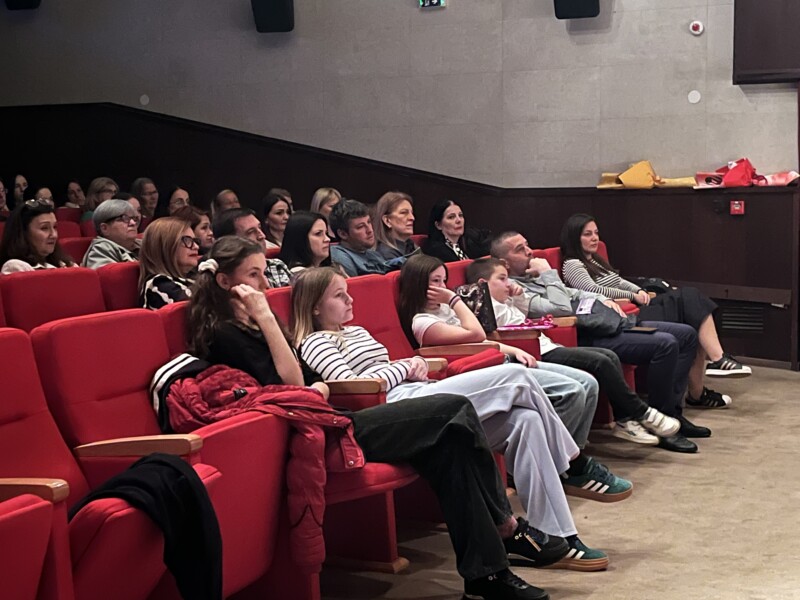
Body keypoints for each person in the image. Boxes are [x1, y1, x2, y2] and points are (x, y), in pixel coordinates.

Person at [188, 236, 564, 600]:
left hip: (334, 418)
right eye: (253, 275)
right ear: (225, 282)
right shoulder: (226, 334)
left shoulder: (258, 327)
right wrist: (268, 319)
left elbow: (307, 385)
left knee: (451, 443)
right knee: (454, 408)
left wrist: (300, 368)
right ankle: (507, 526)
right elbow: (295, 385)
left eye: (263, 273)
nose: (265, 285)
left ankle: (488, 575)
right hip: (322, 432)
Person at [297, 266, 631, 571]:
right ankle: (574, 463)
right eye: (339, 296)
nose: (350, 300)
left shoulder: (357, 332)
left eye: (348, 292)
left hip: (419, 390)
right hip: (396, 409)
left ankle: (558, 536)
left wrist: (408, 368)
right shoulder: (315, 341)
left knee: (525, 421)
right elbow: (350, 383)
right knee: (517, 377)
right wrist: (406, 366)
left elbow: (392, 369)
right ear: (315, 308)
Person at [492, 231, 708, 453]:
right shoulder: (514, 290)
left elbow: (575, 293)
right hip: (586, 331)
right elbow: (562, 308)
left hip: (605, 321)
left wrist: (604, 299)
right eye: (520, 249)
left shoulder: (533, 277)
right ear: (504, 263)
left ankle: (671, 413)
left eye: (527, 245)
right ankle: (657, 421)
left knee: (686, 335)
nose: (529, 252)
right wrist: (548, 274)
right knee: (666, 343)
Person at [467, 257, 680, 446]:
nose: (509, 284)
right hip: (534, 351)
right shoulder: (484, 306)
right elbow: (497, 330)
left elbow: (524, 312)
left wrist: (518, 295)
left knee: (608, 356)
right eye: (502, 279)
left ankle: (623, 420)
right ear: (483, 284)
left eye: (508, 278)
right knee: (600, 362)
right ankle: (641, 412)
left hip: (547, 344)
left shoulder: (507, 299)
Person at [560, 213, 749, 406]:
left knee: (695, 311)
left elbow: (619, 281)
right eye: (588, 234)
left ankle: (700, 389)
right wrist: (632, 296)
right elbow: (592, 290)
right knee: (690, 298)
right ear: (574, 237)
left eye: (596, 233)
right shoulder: (573, 264)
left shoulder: (595, 260)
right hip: (623, 316)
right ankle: (716, 362)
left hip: (633, 306)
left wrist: (638, 290)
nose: (594, 238)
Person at [212, 207, 292, 288]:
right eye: (251, 232)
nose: (262, 236)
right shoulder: (210, 276)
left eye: (260, 228)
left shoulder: (277, 265)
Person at [0, 198, 75, 274]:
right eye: (44, 228)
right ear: (24, 233)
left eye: (55, 227)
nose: (54, 235)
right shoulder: (14, 267)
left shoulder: (65, 263)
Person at [138, 217, 199, 309]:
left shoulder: (192, 276)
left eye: (195, 241)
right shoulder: (159, 285)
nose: (196, 246)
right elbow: (205, 309)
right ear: (166, 246)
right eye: (187, 240)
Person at [329, 199, 396, 276]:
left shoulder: (373, 254)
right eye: (360, 227)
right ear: (343, 234)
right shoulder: (339, 256)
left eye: (369, 222)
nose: (370, 230)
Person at [422, 199, 491, 262]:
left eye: (460, 215)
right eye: (451, 217)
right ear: (438, 225)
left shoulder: (469, 238)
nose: (458, 220)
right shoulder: (435, 251)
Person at [81, 199, 140, 268]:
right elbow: (109, 274)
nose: (133, 223)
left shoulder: (143, 244)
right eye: (124, 218)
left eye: (134, 218)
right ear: (104, 228)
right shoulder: (100, 251)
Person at [374, 191, 420, 261]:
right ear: (387, 220)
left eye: (411, 213)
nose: (412, 218)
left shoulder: (410, 245)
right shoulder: (387, 255)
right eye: (403, 213)